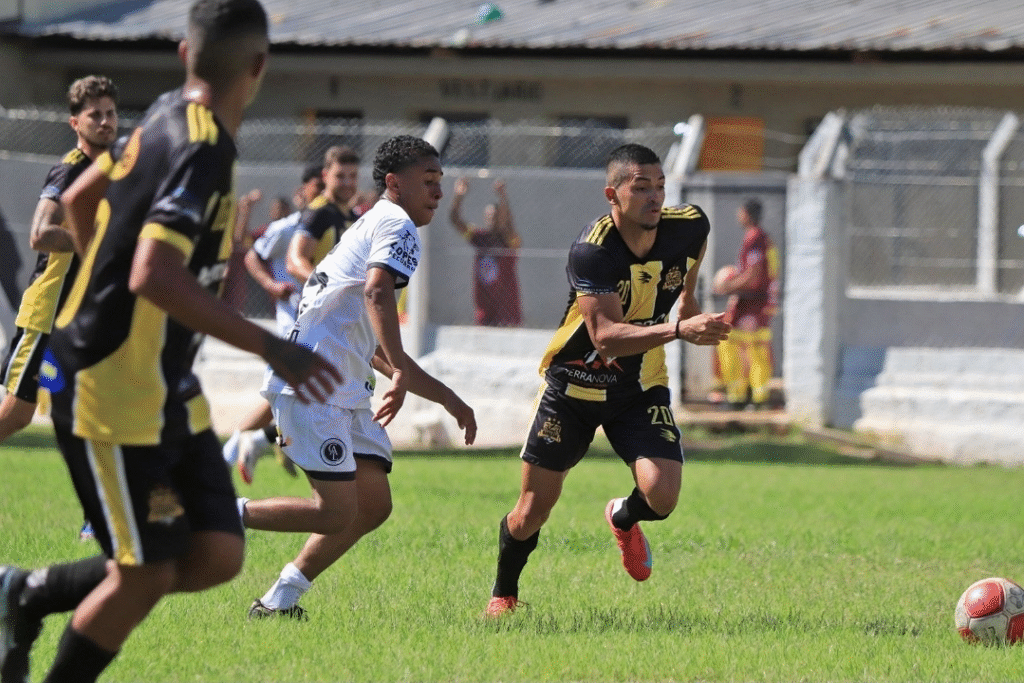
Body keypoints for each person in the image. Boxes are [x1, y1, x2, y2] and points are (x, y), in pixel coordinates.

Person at [0, 3, 341, 682]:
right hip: (111, 385)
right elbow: (152, 274)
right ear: (259, 67)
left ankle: (26, 591)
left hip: (167, 386)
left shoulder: (162, 113)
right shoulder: (202, 145)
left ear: (186, 54)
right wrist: (274, 348)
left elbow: (81, 201)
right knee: (146, 572)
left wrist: (103, 275)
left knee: (217, 552)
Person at [484, 143, 731, 617]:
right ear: (612, 195)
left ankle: (622, 516)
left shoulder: (688, 224)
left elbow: (696, 242)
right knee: (532, 510)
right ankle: (504, 594)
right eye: (641, 188)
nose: (655, 197)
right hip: (572, 387)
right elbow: (606, 337)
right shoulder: (592, 251)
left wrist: (689, 295)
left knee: (663, 496)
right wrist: (680, 328)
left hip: (638, 386)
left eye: (660, 186)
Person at [239, 135, 477, 620]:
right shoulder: (396, 224)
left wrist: (446, 398)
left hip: (340, 390)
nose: (437, 192)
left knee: (371, 504)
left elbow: (380, 351)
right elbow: (376, 293)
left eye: (440, 181)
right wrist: (401, 371)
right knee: (333, 511)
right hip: (315, 387)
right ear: (395, 183)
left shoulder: (371, 222)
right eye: (428, 181)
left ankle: (278, 601)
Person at [0, 75, 118, 447]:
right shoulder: (70, 170)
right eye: (95, 114)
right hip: (47, 314)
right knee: (17, 414)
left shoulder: (114, 172)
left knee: (94, 415)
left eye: (111, 113)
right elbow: (40, 234)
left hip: (81, 319)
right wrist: (98, 242)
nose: (105, 121)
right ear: (75, 123)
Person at [223, 163, 325, 483]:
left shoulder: (342, 226)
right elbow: (251, 254)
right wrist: (271, 285)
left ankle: (261, 444)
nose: (324, 192)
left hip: (326, 328)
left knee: (290, 400)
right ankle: (260, 444)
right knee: (295, 398)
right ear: (304, 190)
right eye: (319, 185)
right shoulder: (288, 227)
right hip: (294, 328)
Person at [712, 197, 779, 410]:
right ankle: (753, 397)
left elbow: (753, 274)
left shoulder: (754, 238)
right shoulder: (763, 237)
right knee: (751, 347)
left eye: (740, 212)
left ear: (747, 214)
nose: (737, 215)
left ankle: (742, 397)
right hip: (757, 302)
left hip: (753, 302)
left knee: (732, 342)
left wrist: (727, 287)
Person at [449, 176, 523, 326]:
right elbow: (455, 220)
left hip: (507, 311)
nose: (491, 219)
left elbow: (508, 225)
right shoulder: (479, 237)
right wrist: (458, 196)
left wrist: (503, 197)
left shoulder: (509, 241)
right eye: (488, 216)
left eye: (495, 216)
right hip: (484, 309)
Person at [286, 145, 362, 283]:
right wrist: (325, 285)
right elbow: (295, 262)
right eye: (340, 176)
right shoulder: (318, 212)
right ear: (325, 175)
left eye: (353, 176)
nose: (347, 183)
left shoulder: (353, 216)